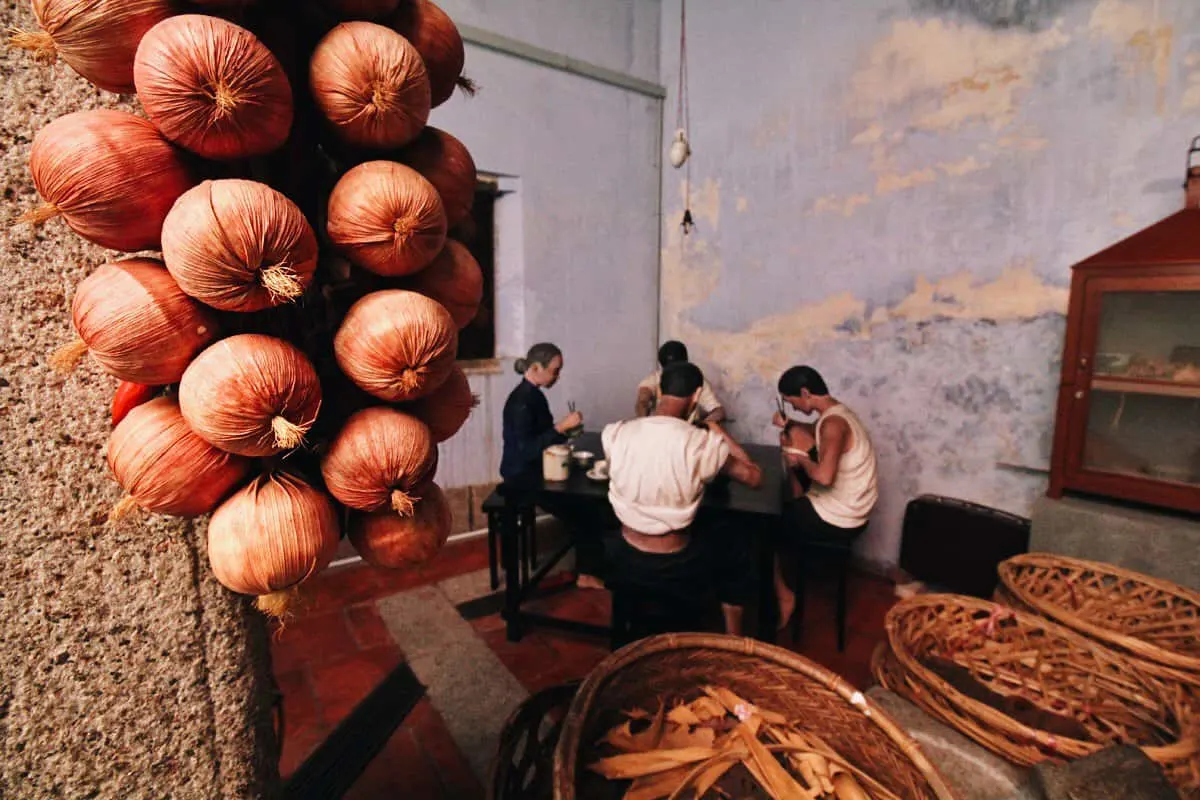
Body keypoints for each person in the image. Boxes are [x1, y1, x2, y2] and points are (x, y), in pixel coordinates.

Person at [603, 362, 763, 635]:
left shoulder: (615, 433)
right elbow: (754, 477)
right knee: (737, 539)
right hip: (676, 561)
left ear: (659, 389)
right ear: (697, 394)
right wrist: (715, 428)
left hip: (624, 553)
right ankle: (733, 636)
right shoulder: (700, 443)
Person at [771, 366, 878, 629]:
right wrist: (791, 425)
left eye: (791, 401)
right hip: (853, 507)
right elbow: (814, 430)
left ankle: (785, 598)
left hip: (841, 518)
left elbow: (825, 477)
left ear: (805, 393)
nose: (792, 407)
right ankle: (799, 505)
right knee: (792, 436)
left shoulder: (833, 424)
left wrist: (800, 460)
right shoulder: (835, 413)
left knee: (765, 525)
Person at [500, 343, 605, 589]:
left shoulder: (533, 394)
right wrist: (560, 428)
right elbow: (526, 450)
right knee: (586, 509)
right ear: (536, 368)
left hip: (535, 469)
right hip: (522, 476)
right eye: (555, 371)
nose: (557, 376)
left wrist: (566, 432)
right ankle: (586, 573)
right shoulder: (521, 402)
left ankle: (588, 566)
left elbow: (541, 437)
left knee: (585, 495)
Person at [635, 341, 726, 424]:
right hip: (659, 427)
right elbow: (642, 401)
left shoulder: (696, 380)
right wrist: (643, 423)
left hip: (688, 429)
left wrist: (703, 425)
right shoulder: (653, 379)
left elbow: (718, 411)